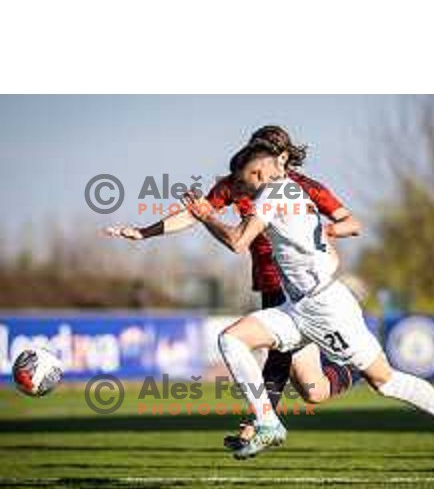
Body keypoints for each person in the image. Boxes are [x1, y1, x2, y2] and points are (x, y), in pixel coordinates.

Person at [182, 138, 434, 468]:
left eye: (247, 180)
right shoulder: (288, 190)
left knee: (384, 381)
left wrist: (207, 217)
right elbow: (318, 243)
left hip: (327, 308)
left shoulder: (274, 194)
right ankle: (268, 423)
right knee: (232, 339)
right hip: (298, 306)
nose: (245, 190)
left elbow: (238, 241)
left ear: (260, 171)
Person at [105, 126, 360, 448]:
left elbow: (352, 223)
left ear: (282, 157)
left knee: (278, 355)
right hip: (269, 283)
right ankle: (354, 368)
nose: (260, 164)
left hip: (301, 285)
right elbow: (196, 214)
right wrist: (144, 233)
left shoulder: (305, 188)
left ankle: (261, 424)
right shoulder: (239, 183)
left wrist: (324, 232)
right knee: (313, 390)